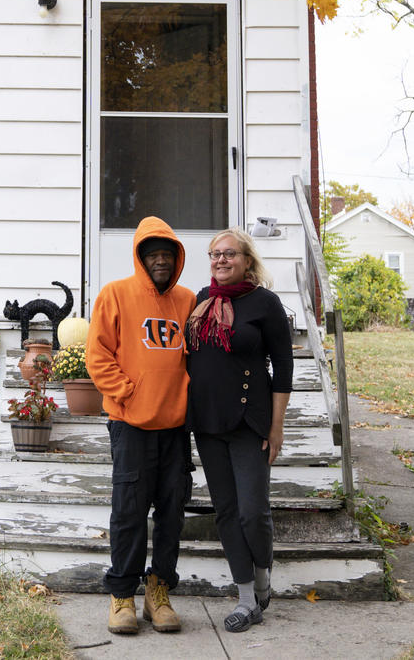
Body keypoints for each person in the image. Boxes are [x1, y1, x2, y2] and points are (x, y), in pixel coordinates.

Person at [86, 216, 198, 634]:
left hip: (174, 427)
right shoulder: (115, 294)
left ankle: (159, 591)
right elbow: (97, 356)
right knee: (129, 512)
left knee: (171, 511)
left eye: (167, 255)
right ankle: (122, 595)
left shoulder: (187, 301)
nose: (161, 262)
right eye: (153, 255)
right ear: (140, 258)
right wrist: (130, 392)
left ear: (177, 259)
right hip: (130, 424)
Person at [185, 227, 293, 633]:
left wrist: (276, 426)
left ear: (247, 260)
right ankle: (247, 599)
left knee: (253, 513)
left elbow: (283, 367)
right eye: (215, 254)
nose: (221, 260)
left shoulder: (265, 303)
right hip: (208, 423)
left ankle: (263, 577)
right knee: (227, 512)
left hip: (251, 422)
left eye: (229, 254)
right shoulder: (201, 301)